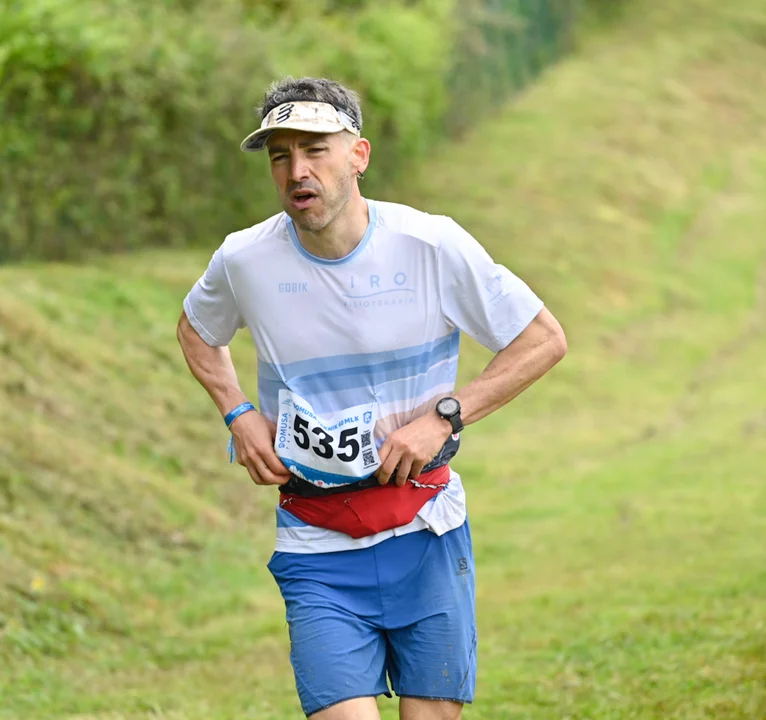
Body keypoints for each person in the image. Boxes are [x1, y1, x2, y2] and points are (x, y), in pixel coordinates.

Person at [176, 76, 567, 720]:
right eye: (280, 155)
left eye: (315, 150)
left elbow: (542, 340)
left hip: (426, 529)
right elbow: (197, 329)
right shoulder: (245, 259)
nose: (297, 171)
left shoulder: (430, 244)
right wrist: (238, 413)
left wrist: (445, 418)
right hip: (314, 538)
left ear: (358, 155)